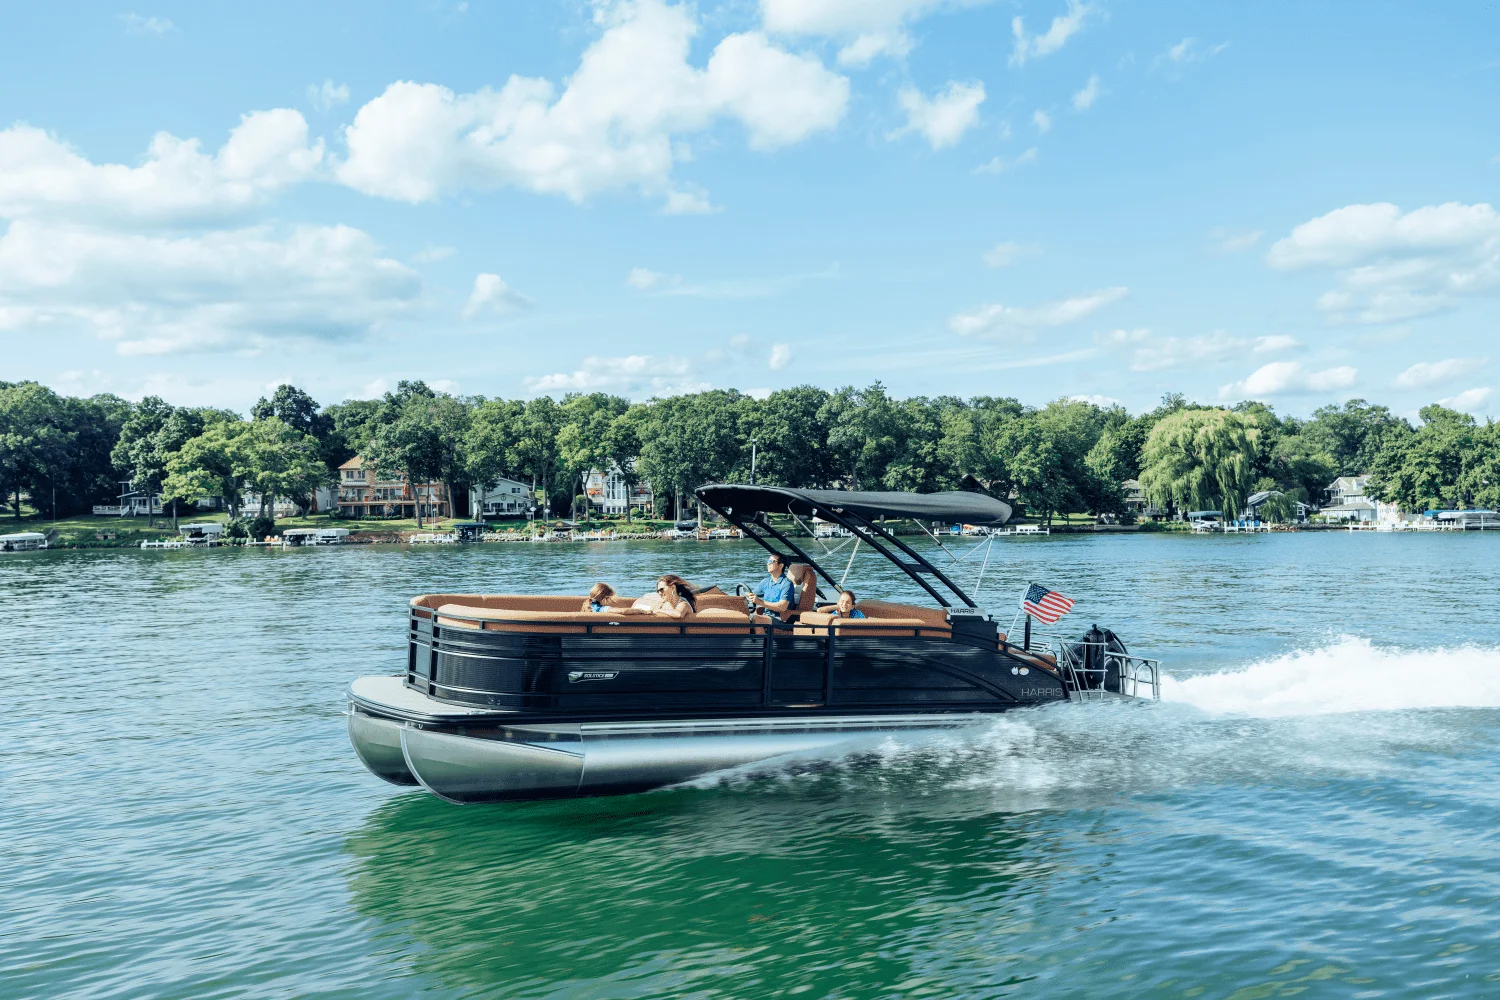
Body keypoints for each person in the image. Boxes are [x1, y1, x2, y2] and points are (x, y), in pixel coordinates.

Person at [751, 553, 797, 620]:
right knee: (744, 618)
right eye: (768, 561)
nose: (768, 563)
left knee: (755, 619)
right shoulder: (766, 581)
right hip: (766, 616)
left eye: (771, 561)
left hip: (780, 619)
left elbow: (782, 607)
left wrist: (760, 602)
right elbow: (752, 594)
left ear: (781, 565)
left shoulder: (787, 584)